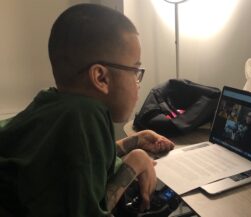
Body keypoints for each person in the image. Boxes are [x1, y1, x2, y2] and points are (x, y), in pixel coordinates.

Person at [0, 4, 174, 217]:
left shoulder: (53, 103)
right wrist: (134, 163)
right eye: (135, 70)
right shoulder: (85, 115)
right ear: (101, 77)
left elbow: (81, 161)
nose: (138, 83)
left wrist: (135, 142)